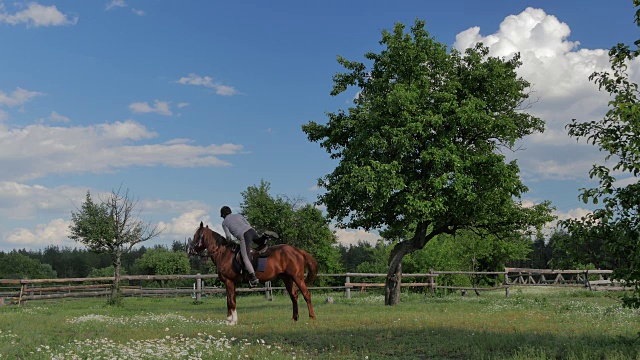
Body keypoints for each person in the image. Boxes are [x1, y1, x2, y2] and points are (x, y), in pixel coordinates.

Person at [220, 206, 260, 288]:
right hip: (252, 231)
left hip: (244, 236)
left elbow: (228, 237)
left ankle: (253, 277)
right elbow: (248, 224)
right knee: (260, 243)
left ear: (223, 215)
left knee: (245, 257)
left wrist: (231, 242)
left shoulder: (224, 223)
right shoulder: (238, 215)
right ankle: (264, 238)